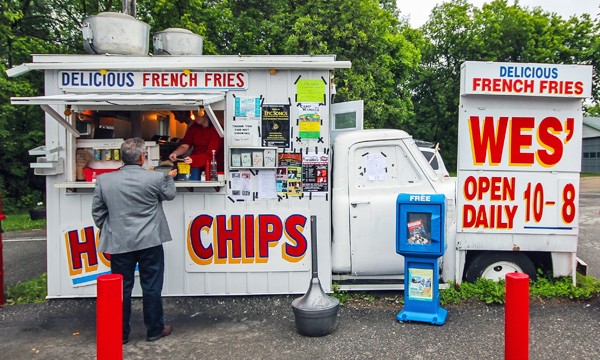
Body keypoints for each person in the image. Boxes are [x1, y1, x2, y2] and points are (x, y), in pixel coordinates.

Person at [92, 137, 177, 344]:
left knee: (121, 288)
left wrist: (111, 229)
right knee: (152, 286)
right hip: (150, 240)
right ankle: (155, 330)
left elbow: (98, 212)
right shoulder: (155, 178)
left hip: (120, 242)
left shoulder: (105, 180)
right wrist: (169, 178)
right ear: (142, 157)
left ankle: (120, 334)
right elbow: (170, 195)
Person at [169, 109, 224, 173]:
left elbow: (211, 154)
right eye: (194, 114)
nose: (195, 117)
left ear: (206, 113)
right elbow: (185, 145)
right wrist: (176, 153)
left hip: (214, 169)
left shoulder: (217, 129)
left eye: (197, 114)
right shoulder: (194, 127)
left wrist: (193, 159)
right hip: (196, 168)